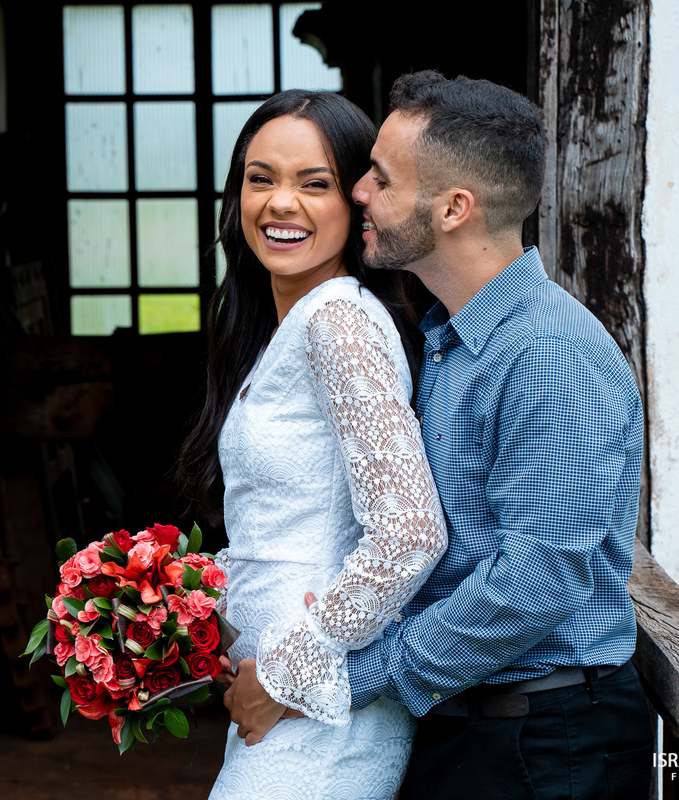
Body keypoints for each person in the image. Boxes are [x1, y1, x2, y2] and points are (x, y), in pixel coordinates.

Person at [224, 71, 653, 799]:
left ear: (454, 208)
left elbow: (537, 582)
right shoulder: (454, 339)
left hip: (545, 741)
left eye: (382, 180)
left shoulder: (547, 352)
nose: (360, 192)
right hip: (470, 724)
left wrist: (342, 674)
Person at [176, 89, 448, 799]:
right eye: (260, 178)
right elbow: (279, 525)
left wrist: (285, 671)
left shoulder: (339, 324)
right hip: (278, 705)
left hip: (321, 719)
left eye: (314, 183)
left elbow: (411, 535)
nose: (280, 203)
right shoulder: (286, 329)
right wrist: (169, 609)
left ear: (357, 201)